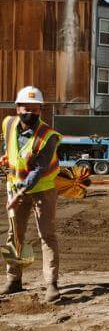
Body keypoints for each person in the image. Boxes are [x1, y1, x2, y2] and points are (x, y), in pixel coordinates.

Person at [1, 86, 62, 302]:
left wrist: (21, 192)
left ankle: (51, 284)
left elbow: (40, 169)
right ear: (17, 108)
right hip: (15, 187)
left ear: (41, 111)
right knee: (14, 235)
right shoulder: (8, 124)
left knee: (47, 235)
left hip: (42, 190)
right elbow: (8, 148)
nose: (32, 113)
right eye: (27, 108)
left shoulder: (48, 136)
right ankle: (13, 279)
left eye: (36, 110)